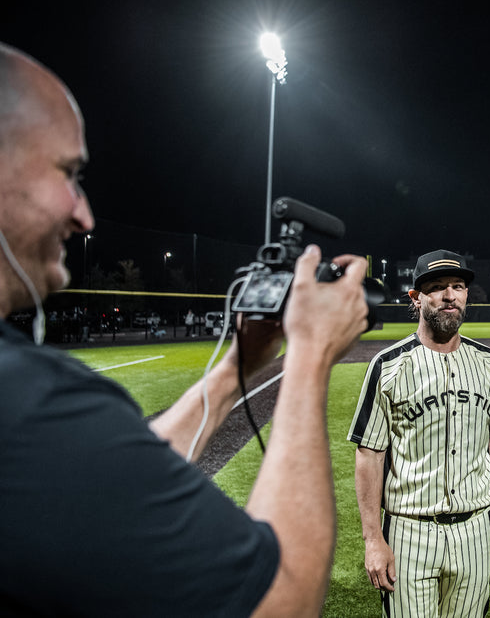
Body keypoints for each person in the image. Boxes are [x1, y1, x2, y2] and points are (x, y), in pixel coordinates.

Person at [0, 42, 370, 616]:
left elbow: (110, 480)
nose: (84, 214)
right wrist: (311, 354)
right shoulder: (23, 399)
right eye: (69, 174)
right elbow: (282, 600)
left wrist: (236, 370)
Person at [348, 249, 490, 618]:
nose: (449, 295)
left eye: (457, 286)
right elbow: (370, 454)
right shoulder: (388, 365)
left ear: (467, 295)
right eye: (437, 287)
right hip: (410, 532)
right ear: (416, 298)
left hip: (475, 529)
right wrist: (373, 539)